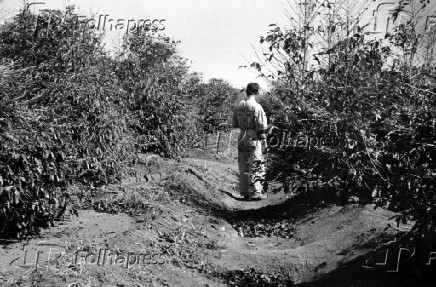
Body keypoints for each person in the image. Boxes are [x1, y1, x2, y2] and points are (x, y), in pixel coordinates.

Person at [232, 83, 268, 200]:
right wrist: (264, 141)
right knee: (256, 162)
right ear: (256, 92)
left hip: (242, 135)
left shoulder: (238, 106)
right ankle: (256, 191)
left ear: (246, 91)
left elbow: (234, 124)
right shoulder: (257, 107)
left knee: (243, 164)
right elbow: (261, 127)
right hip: (253, 136)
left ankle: (245, 191)